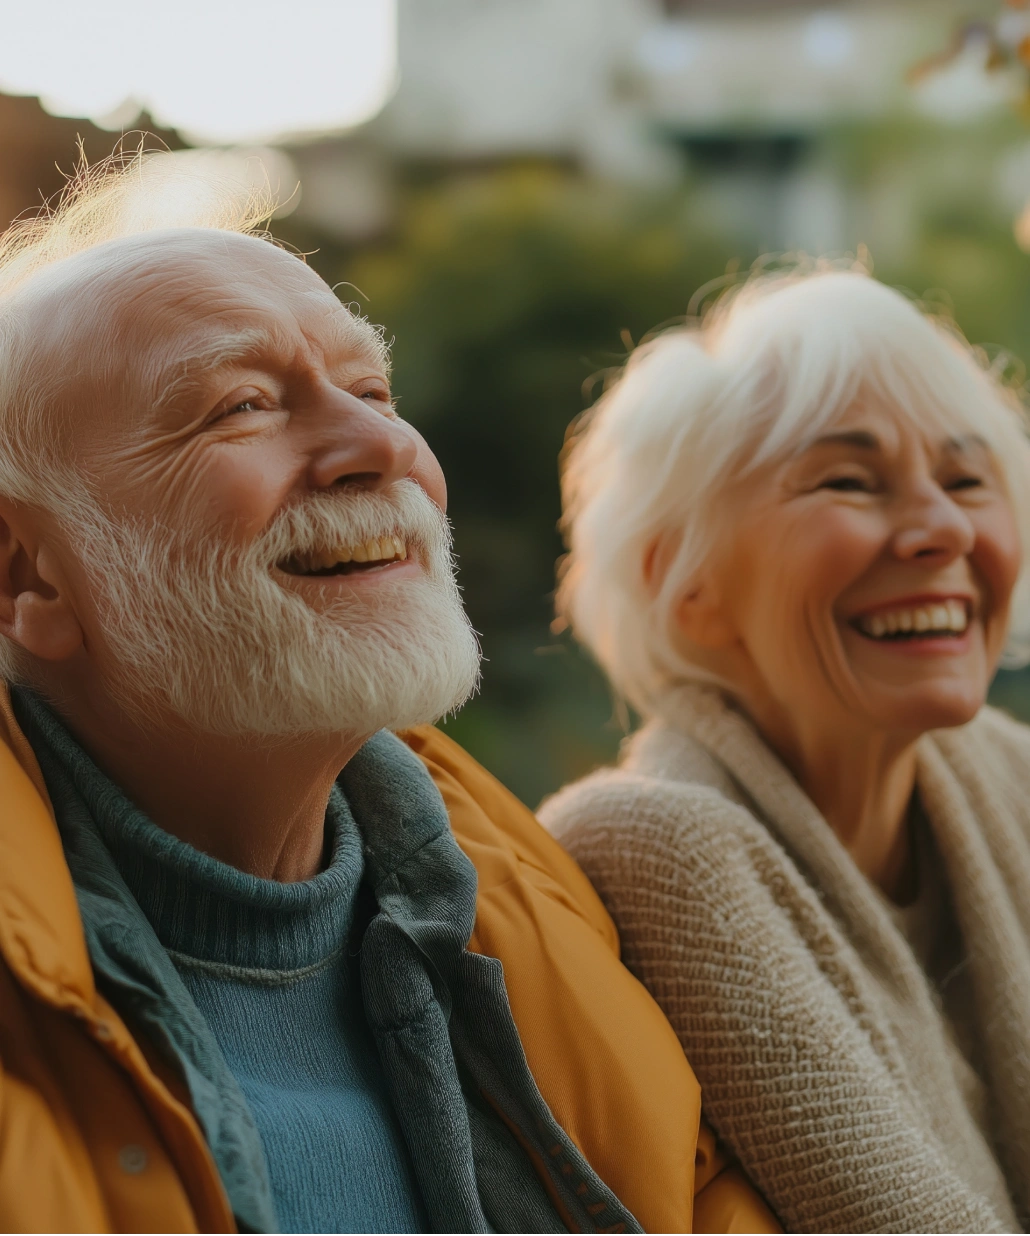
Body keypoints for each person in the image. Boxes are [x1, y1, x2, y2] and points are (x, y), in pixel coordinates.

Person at [0, 149, 779, 1236]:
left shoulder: (550, 919)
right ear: (25, 573)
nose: (382, 447)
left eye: (372, 390)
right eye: (241, 406)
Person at [541, 264, 1030, 1235]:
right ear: (682, 579)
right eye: (847, 481)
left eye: (967, 478)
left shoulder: (1010, 771)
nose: (939, 527)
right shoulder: (646, 846)